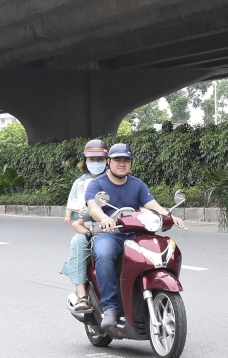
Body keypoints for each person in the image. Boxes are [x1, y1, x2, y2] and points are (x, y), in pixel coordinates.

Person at [84, 143, 185, 328]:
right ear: (108, 161)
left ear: (130, 163)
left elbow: (152, 205)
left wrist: (169, 216)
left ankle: (148, 295)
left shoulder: (137, 184)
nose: (122, 163)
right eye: (117, 160)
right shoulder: (97, 184)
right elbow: (93, 206)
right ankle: (110, 307)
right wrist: (105, 218)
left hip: (135, 233)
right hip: (109, 234)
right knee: (104, 254)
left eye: (126, 160)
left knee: (159, 251)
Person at [60, 140, 108, 312]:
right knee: (78, 242)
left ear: (108, 160)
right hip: (90, 227)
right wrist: (81, 217)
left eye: (100, 159)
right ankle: (82, 296)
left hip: (117, 226)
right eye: (92, 159)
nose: (96, 163)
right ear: (85, 161)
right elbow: (74, 211)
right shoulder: (80, 183)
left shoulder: (115, 177)